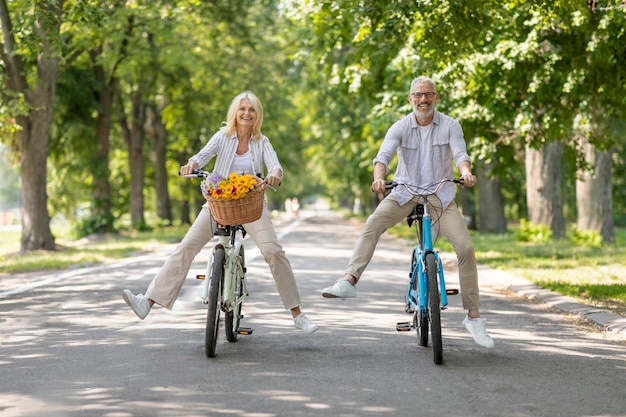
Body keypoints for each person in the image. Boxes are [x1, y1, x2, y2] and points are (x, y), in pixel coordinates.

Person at [122, 91, 318, 334]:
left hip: (252, 208)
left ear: (257, 116)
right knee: (186, 247)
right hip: (219, 204)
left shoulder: (262, 142)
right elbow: (202, 156)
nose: (247, 113)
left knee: (273, 251)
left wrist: (275, 175)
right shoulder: (222, 137)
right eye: (242, 109)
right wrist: (192, 164)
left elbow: (275, 165)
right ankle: (148, 302)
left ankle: (297, 314)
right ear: (235, 112)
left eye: (252, 110)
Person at [321, 76, 494, 348]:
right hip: (405, 192)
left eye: (428, 94)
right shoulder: (401, 126)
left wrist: (466, 173)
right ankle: (349, 280)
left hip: (440, 195)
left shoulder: (450, 125)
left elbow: (461, 155)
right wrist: (380, 178)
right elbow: (383, 157)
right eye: (418, 95)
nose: (423, 100)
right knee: (372, 224)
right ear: (410, 99)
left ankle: (473, 317)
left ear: (436, 98)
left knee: (465, 248)